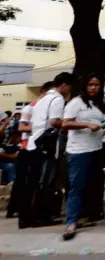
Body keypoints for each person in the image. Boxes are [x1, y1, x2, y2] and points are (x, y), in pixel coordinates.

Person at [18, 73, 73, 229]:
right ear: (64, 85)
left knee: (31, 183)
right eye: (69, 86)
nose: (69, 90)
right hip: (46, 146)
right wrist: (67, 124)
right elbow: (54, 121)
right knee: (45, 182)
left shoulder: (42, 100)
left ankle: (26, 218)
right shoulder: (57, 100)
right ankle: (40, 217)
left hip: (33, 144)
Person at [60, 74, 105, 240]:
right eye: (90, 84)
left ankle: (86, 216)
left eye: (96, 85)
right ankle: (71, 222)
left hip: (96, 149)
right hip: (78, 151)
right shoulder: (76, 103)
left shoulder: (100, 105)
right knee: (77, 186)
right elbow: (65, 123)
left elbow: (104, 125)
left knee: (93, 186)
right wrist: (87, 124)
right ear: (85, 86)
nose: (93, 88)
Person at [7, 81, 53, 220]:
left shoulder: (45, 109)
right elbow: (21, 128)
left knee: (33, 182)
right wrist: (41, 128)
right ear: (43, 92)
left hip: (37, 148)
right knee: (22, 182)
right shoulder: (30, 108)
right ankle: (14, 209)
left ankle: (29, 210)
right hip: (26, 148)